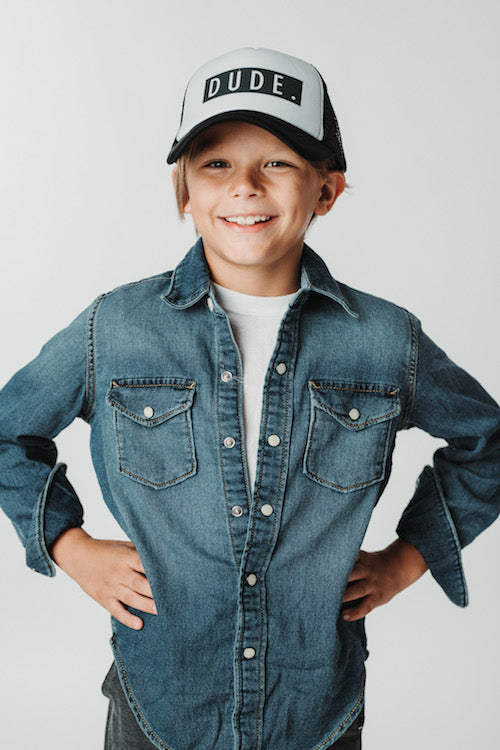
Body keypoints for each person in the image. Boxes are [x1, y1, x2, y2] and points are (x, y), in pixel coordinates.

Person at [0, 47, 498, 750]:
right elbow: (5, 433)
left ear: (327, 189)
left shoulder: (385, 341)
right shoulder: (114, 329)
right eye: (216, 164)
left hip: (317, 712)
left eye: (278, 163)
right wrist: (70, 545)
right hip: (159, 706)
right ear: (184, 190)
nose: (245, 187)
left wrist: (404, 562)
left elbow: (488, 442)